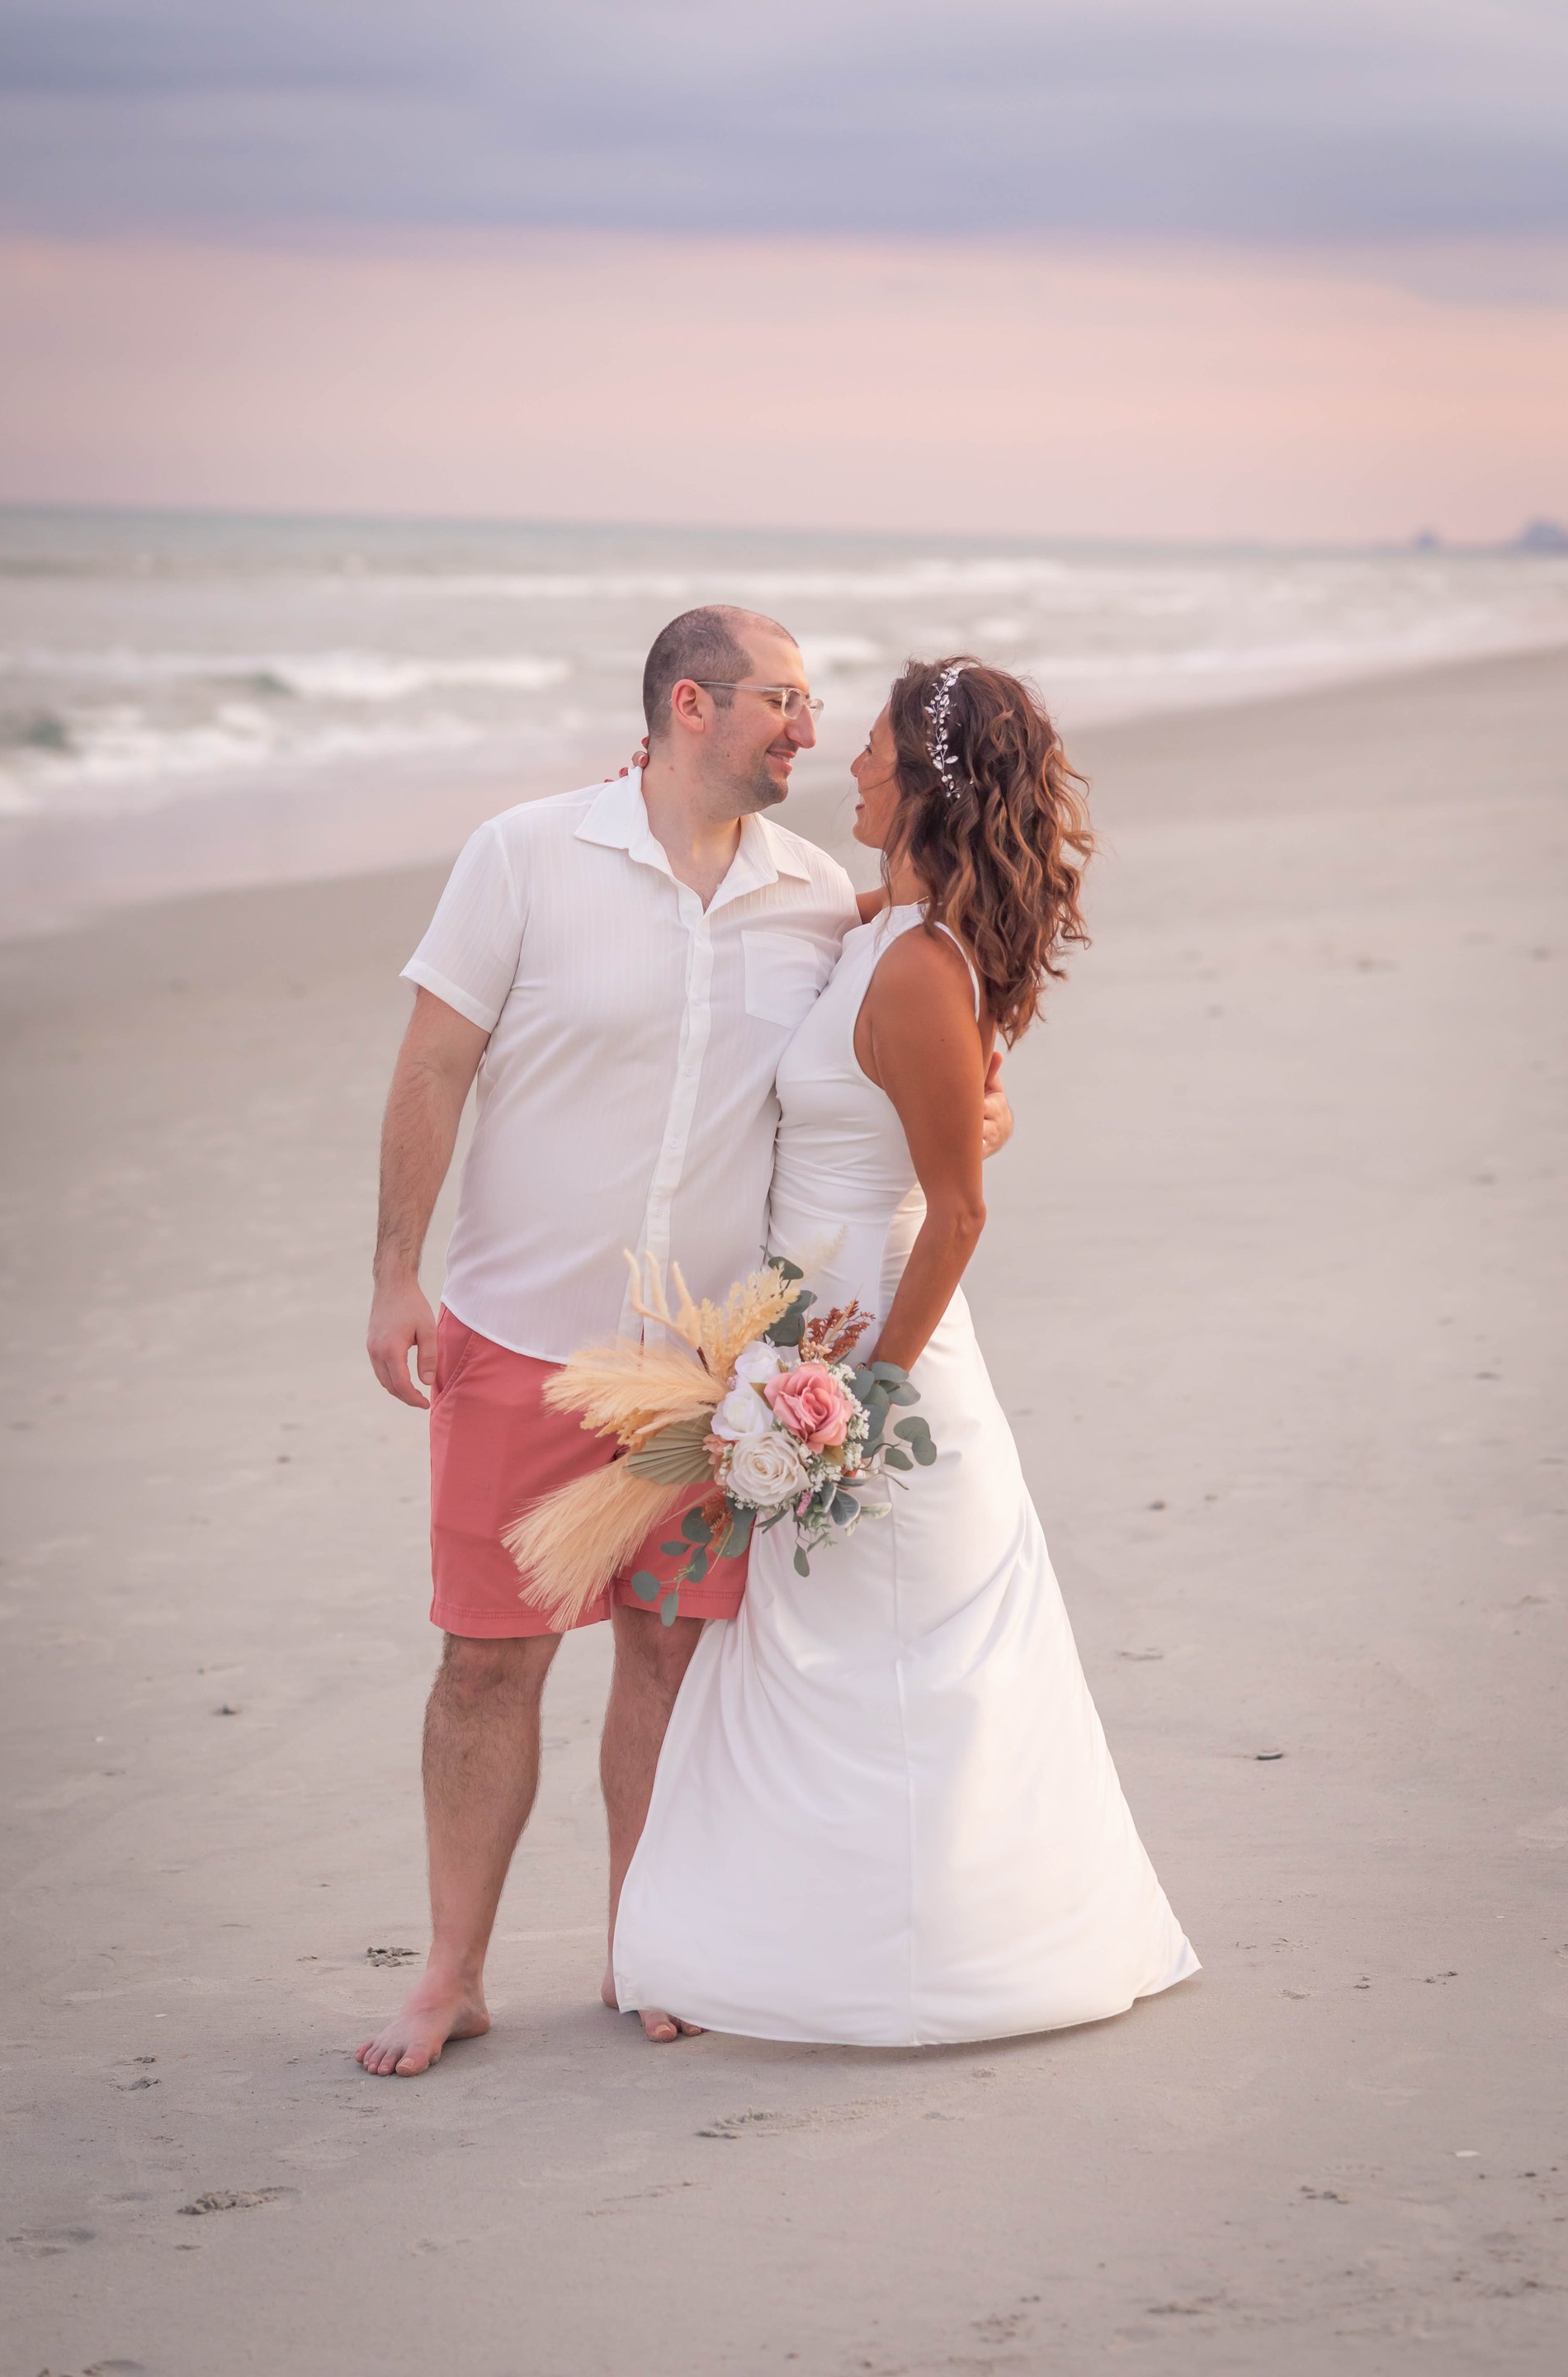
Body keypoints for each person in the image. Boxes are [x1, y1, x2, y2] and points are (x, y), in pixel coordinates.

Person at [357, 607, 1013, 2075]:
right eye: (784, 701)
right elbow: (434, 1060)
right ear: (692, 706)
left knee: (665, 1659)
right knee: (487, 1663)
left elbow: (917, 1043)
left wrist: (984, 1114)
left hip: (717, 1368)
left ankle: (642, 1948)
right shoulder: (524, 853)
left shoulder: (820, 898)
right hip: (522, 1334)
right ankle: (450, 1973)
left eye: (815, 705)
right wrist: (396, 1271)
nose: (808, 726)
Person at [612, 658, 1199, 2045]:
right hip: (806, 1332)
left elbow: (957, 1208)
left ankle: (920, 1956)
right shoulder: (889, 924)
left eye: (871, 752)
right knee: (808, 1650)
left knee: (897, 1654)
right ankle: (787, 1939)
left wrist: (862, 1396)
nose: (850, 770)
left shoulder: (926, 968)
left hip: (882, 1350)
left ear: (926, 782)